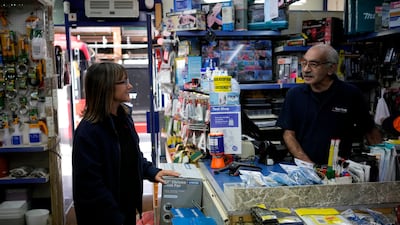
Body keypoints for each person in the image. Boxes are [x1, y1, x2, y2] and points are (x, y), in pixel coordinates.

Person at [72, 62, 180, 225]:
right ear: (106, 87)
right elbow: (91, 188)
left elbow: (132, 156)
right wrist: (117, 219)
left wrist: (152, 171)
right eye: (123, 82)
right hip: (104, 218)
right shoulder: (88, 132)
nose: (129, 86)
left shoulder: (123, 119)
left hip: (125, 212)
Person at [276, 44, 382, 166]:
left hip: (340, 171)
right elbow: (288, 134)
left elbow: (370, 131)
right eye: (304, 63)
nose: (306, 69)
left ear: (331, 68)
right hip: (304, 169)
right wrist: (310, 166)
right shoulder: (294, 95)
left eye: (313, 64)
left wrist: (382, 163)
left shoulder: (351, 94)